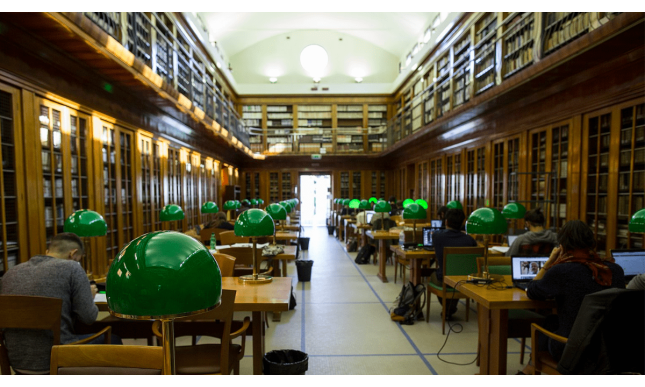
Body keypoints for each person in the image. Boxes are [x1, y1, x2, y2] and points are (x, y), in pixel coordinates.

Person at [0, 233, 122, 374]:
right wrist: (89, 294)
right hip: (57, 360)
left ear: (48, 252)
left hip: (17, 362)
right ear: (73, 253)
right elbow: (89, 317)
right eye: (79, 259)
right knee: (114, 338)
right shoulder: (72, 268)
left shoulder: (11, 272)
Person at [525, 220, 625, 365]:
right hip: (611, 349)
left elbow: (532, 291)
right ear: (591, 242)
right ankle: (529, 369)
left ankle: (530, 369)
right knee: (553, 320)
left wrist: (549, 263)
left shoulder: (562, 271)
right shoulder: (615, 270)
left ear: (562, 245)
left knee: (548, 322)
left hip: (573, 350)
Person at [430, 208, 478, 319]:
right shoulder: (470, 240)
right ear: (462, 223)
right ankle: (450, 307)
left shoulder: (437, 236)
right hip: (465, 279)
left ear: (446, 221)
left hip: (445, 279)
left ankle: (448, 308)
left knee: (432, 275)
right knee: (456, 273)